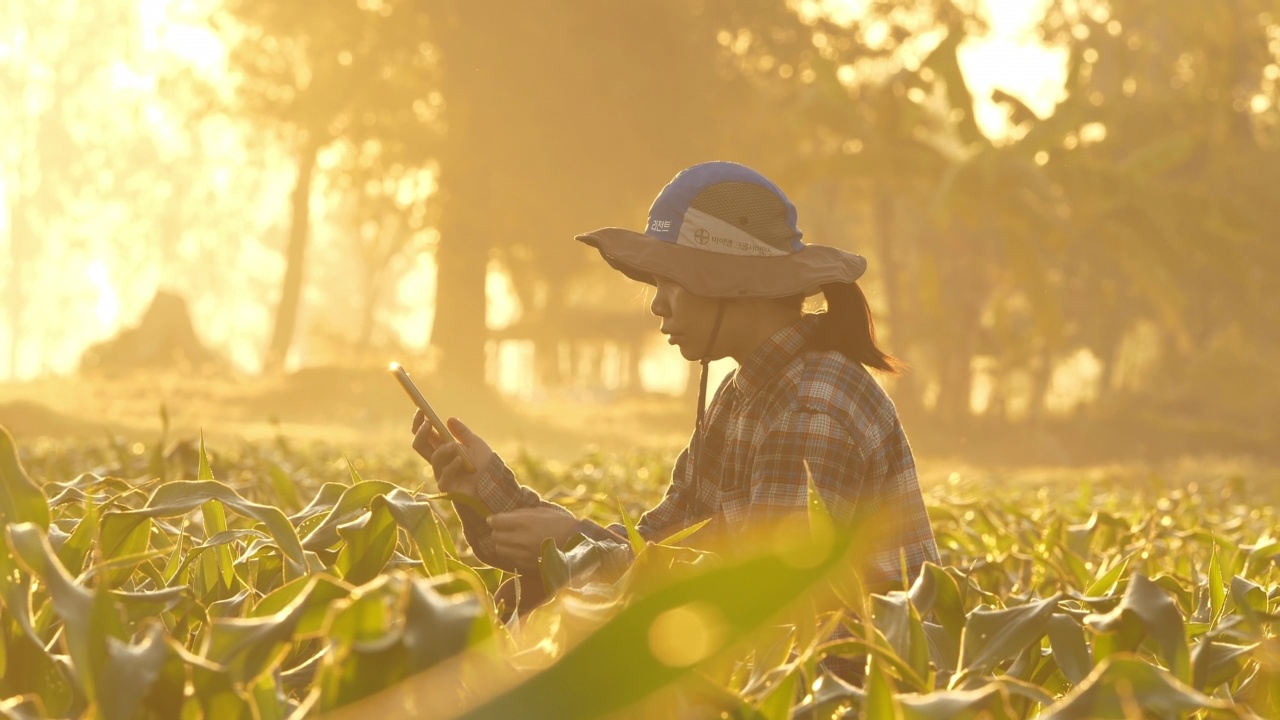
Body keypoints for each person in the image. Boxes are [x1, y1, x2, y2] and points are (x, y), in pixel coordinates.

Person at [412, 160, 938, 609]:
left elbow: (764, 603)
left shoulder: (808, 409)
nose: (657, 303)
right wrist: (485, 491)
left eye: (672, 281)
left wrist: (576, 547)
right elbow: (654, 550)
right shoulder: (743, 395)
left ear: (733, 284)